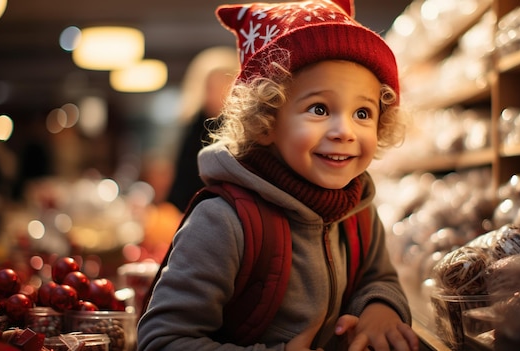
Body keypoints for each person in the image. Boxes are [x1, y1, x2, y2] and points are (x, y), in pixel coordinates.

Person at [137, 0, 419, 350]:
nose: (344, 131)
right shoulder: (223, 221)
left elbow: (380, 277)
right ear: (265, 122)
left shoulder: (358, 208)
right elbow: (162, 340)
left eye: (362, 112)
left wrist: (381, 306)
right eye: (319, 109)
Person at [166, 46, 239, 212]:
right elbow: (181, 179)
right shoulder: (192, 127)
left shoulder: (242, 129)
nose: (216, 91)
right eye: (210, 85)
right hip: (190, 211)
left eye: (223, 83)